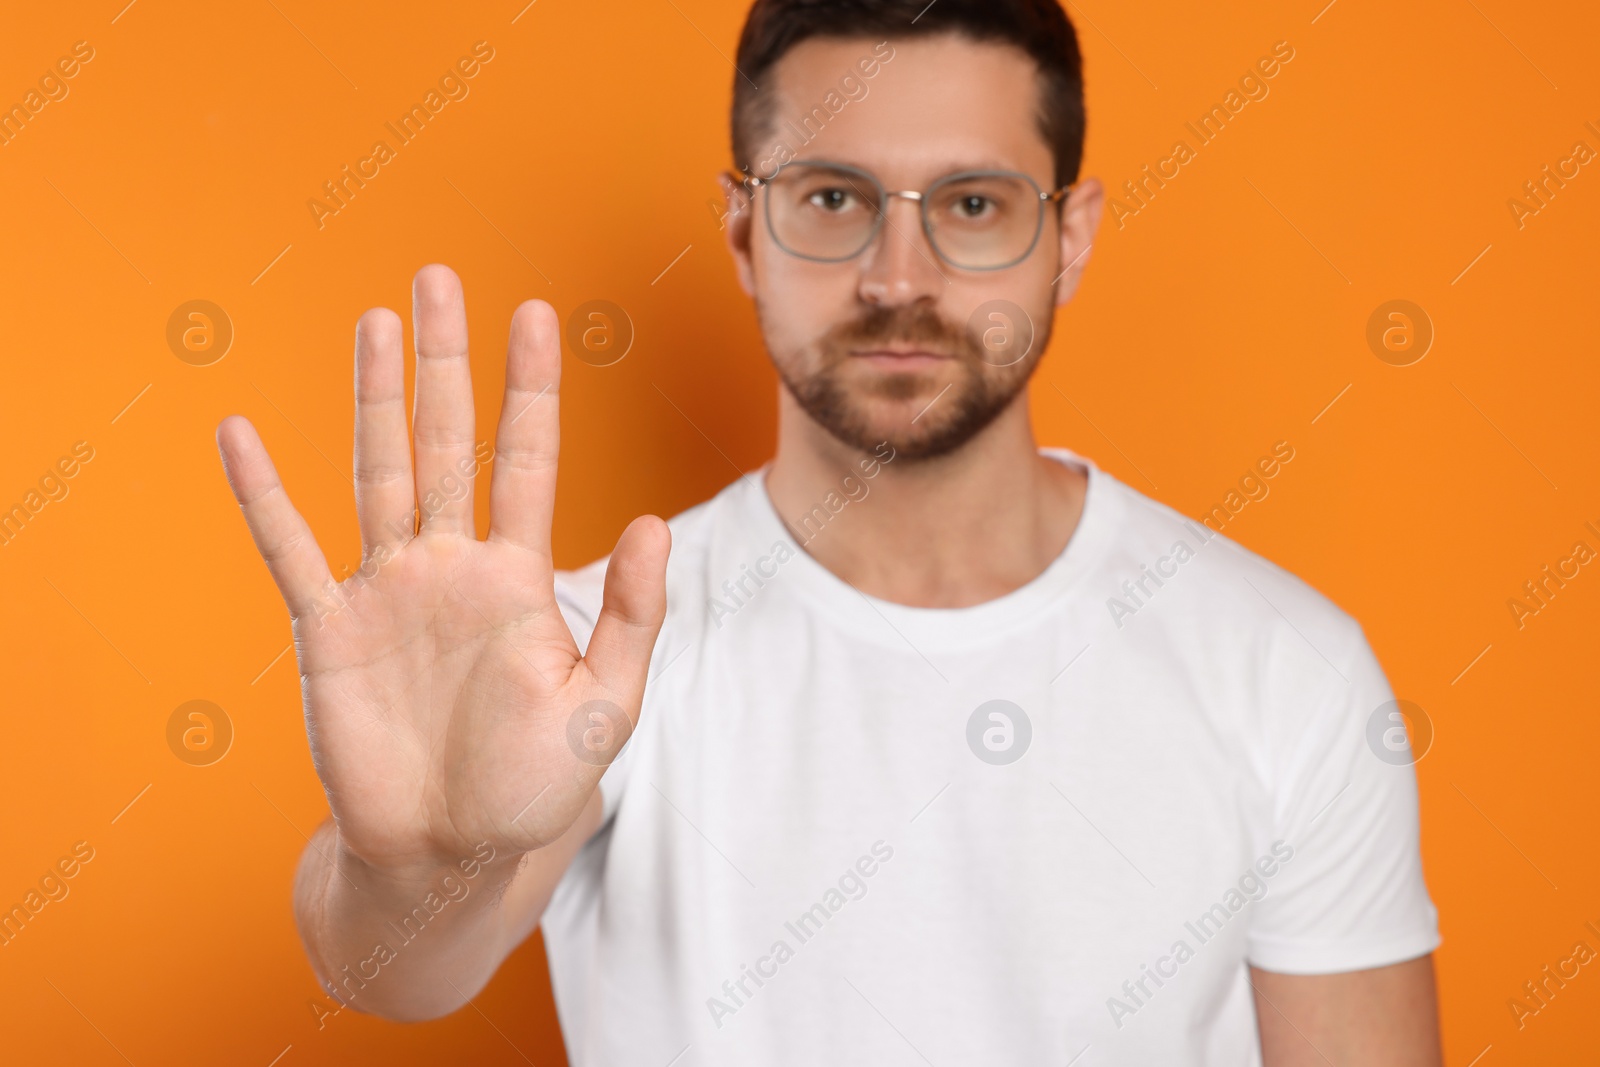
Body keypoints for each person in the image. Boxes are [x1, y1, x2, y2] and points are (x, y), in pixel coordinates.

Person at [214, 1, 1442, 1063]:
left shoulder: (1286, 667)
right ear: (746, 230)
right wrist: (416, 858)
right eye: (833, 197)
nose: (896, 277)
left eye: (971, 202)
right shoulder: (585, 661)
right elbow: (397, 970)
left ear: (1068, 236)